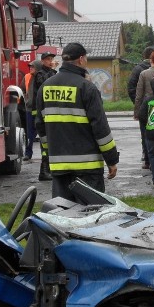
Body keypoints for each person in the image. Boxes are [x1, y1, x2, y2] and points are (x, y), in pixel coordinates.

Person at [35, 42, 119, 201]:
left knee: (62, 216)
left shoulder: (45, 87)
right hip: (88, 168)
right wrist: (112, 160)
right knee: (91, 215)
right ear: (81, 59)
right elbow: (100, 128)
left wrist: (49, 153)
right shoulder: (87, 87)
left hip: (59, 167)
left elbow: (41, 127)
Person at [29, 51, 57, 180]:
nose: (50, 61)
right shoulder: (41, 74)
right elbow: (47, 85)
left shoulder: (51, 73)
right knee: (45, 143)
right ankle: (44, 172)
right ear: (42, 61)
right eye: (48, 59)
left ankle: (48, 170)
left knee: (49, 143)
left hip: (48, 114)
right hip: (41, 114)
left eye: (51, 59)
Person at [22, 60, 38, 161]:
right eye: (30, 67)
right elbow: (22, 89)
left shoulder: (41, 77)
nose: (30, 68)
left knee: (37, 130)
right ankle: (28, 153)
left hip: (39, 109)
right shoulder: (27, 77)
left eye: (33, 66)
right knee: (29, 132)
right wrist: (26, 98)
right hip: (29, 108)